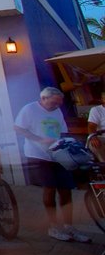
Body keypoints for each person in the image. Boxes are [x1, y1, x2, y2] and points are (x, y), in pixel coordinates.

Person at [14, 86, 90, 242]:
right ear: (44, 99)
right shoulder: (29, 109)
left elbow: (62, 129)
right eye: (54, 103)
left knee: (66, 189)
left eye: (59, 103)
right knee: (50, 189)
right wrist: (39, 139)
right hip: (38, 155)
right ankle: (53, 227)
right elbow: (18, 128)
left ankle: (69, 226)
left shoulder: (56, 110)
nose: (56, 106)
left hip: (58, 154)